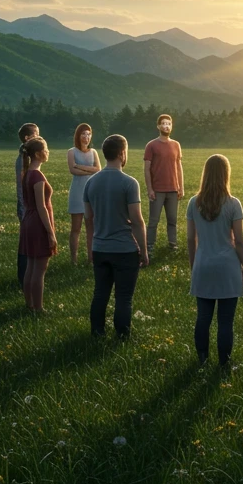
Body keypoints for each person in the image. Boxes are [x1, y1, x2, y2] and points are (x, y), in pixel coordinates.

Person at [187, 154, 243, 367]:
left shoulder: (194, 203)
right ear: (226, 175)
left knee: (203, 318)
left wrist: (193, 264)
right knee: (225, 321)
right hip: (228, 267)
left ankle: (202, 359)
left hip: (203, 264)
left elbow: (190, 239)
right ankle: (224, 363)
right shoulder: (233, 204)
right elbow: (239, 241)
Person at [84, 134, 148, 339]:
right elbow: (136, 220)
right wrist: (144, 250)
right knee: (124, 297)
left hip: (100, 247)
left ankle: (97, 332)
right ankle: (122, 335)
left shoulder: (91, 183)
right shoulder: (129, 183)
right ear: (122, 154)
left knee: (100, 294)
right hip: (124, 249)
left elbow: (88, 220)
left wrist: (90, 248)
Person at [19, 136, 58, 314]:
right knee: (40, 268)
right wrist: (50, 232)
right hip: (38, 223)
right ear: (37, 154)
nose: (48, 152)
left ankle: (29, 305)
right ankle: (39, 307)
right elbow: (41, 206)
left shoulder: (27, 173)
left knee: (31, 265)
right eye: (45, 149)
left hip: (28, 221)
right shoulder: (37, 176)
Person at [143, 114, 184, 254]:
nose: (166, 126)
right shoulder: (151, 145)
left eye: (169, 124)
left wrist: (181, 187)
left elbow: (179, 167)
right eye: (164, 123)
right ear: (158, 126)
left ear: (171, 126)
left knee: (172, 220)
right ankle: (149, 245)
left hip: (173, 189)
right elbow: (147, 169)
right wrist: (150, 189)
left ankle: (173, 244)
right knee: (153, 221)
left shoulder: (176, 145)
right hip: (157, 189)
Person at [67, 123, 102, 266]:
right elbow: (73, 170)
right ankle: (73, 260)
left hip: (91, 192)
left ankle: (91, 258)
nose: (86, 137)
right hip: (77, 192)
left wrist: (79, 166)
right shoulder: (72, 152)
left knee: (91, 227)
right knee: (76, 228)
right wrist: (89, 170)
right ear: (78, 135)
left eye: (88, 134)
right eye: (83, 134)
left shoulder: (93, 152)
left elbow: (98, 169)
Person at [14, 123, 39, 289]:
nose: (39, 137)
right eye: (36, 134)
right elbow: (21, 188)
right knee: (26, 243)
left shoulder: (29, 158)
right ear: (27, 138)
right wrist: (25, 210)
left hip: (29, 207)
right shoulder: (23, 160)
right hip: (26, 208)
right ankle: (24, 277)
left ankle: (29, 276)